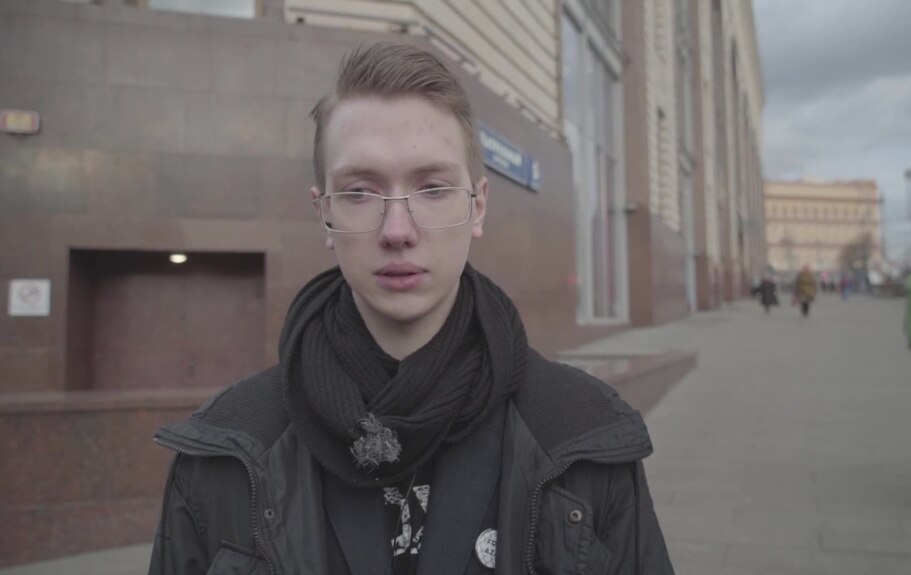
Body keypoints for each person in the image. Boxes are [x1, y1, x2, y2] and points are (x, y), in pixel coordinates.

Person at [147, 43, 672, 574]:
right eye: (360, 193)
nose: (397, 231)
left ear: (478, 206)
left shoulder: (581, 435)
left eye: (433, 188)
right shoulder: (225, 453)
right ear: (323, 213)